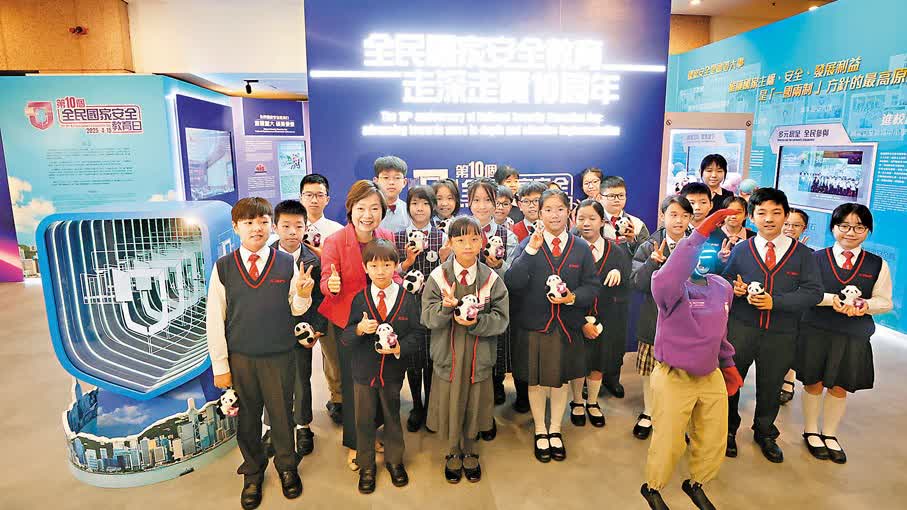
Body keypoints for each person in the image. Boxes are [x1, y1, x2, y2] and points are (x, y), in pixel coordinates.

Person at [206, 197, 314, 510]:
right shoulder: (224, 267)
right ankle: (252, 472)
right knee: (248, 420)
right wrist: (220, 366)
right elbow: (215, 319)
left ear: (271, 226)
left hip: (280, 356)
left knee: (282, 416)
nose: (257, 228)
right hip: (241, 359)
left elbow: (296, 309)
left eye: (263, 222)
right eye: (249, 222)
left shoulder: (285, 262)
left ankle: (287, 467)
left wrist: (304, 294)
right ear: (236, 227)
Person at [639, 208, 744, 510]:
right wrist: (697, 236)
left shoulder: (722, 287)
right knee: (669, 439)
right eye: (698, 253)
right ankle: (653, 487)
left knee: (713, 436)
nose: (702, 258)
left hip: (710, 373)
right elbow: (669, 275)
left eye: (708, 252)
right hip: (674, 374)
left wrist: (728, 365)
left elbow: (720, 332)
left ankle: (696, 481)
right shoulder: (671, 288)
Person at [721, 187, 823, 463]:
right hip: (741, 328)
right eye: (762, 213)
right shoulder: (742, 249)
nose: (768, 219)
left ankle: (765, 431)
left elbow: (813, 292)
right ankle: (728, 429)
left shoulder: (803, 254)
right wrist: (734, 288)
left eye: (776, 212)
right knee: (732, 380)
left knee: (771, 383)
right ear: (751, 217)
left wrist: (775, 302)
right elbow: (726, 280)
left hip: (781, 332)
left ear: (786, 215)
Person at [506, 189, 599, 463]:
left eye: (559, 209)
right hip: (536, 326)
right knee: (536, 382)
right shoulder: (528, 244)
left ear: (568, 212)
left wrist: (572, 298)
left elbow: (592, 286)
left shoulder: (580, 247)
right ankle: (540, 429)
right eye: (548, 209)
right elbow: (513, 282)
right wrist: (531, 251)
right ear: (539, 213)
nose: (554, 215)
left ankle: (555, 429)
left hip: (567, 326)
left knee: (560, 382)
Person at [796, 203, 892, 464]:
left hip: (853, 333)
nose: (851, 232)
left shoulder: (877, 264)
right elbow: (806, 293)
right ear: (833, 228)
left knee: (840, 386)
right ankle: (811, 430)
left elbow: (885, 301)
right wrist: (831, 300)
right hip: (816, 329)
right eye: (844, 226)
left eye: (859, 227)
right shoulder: (815, 258)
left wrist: (864, 305)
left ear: (868, 231)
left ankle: (830, 433)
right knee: (813, 381)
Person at [319, 180, 401, 470]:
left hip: (381, 320)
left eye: (375, 208)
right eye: (361, 208)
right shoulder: (335, 241)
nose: (368, 215)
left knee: (378, 379)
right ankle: (356, 443)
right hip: (349, 323)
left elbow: (394, 274)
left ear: (382, 211)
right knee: (356, 387)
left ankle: (373, 433)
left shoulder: (387, 236)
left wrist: (402, 286)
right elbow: (326, 282)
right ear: (350, 209)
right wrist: (331, 284)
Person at [422, 216, 510, 483]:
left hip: (478, 354)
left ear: (482, 242)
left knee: (474, 403)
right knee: (449, 401)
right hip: (448, 354)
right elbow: (427, 317)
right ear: (450, 243)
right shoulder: (438, 277)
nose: (468, 245)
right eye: (460, 240)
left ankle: (470, 448)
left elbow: (501, 319)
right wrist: (445, 308)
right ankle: (452, 450)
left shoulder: (492, 279)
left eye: (474, 239)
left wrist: (477, 322)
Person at [341, 239, 422, 493]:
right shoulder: (360, 299)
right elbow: (345, 337)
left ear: (396, 266)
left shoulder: (408, 299)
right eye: (374, 266)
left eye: (387, 265)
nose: (380, 271)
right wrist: (359, 329)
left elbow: (418, 335)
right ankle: (366, 466)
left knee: (392, 416)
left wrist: (398, 348)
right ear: (365, 268)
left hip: (392, 373)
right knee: (363, 419)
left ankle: (394, 461)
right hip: (363, 371)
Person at [260, 200, 326, 458]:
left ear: (306, 227)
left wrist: (317, 329)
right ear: (275, 227)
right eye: (285, 226)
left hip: (302, 331)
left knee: (301, 379)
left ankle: (303, 426)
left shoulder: (314, 260)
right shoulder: (265, 257)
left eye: (298, 226)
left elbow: (320, 299)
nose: (292, 232)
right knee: (272, 382)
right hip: (272, 332)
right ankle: (271, 427)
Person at [631, 195, 695, 440]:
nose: (679, 221)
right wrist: (651, 263)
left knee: (683, 373)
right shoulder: (649, 246)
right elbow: (637, 282)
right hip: (654, 320)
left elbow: (707, 282)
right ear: (662, 216)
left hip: (688, 323)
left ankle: (678, 416)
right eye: (673, 215)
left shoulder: (698, 245)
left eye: (684, 216)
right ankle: (648, 412)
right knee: (650, 370)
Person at [569, 199, 630, 428]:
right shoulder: (571, 249)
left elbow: (627, 283)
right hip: (576, 317)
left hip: (605, 319)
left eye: (592, 218)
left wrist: (619, 273)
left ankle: (593, 402)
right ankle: (577, 401)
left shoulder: (616, 250)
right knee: (578, 362)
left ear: (602, 221)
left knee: (598, 361)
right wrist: (580, 322)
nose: (586, 223)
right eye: (581, 218)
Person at [392, 185, 448, 432]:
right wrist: (407, 262)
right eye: (415, 203)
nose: (420, 208)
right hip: (409, 307)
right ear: (408, 206)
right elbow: (392, 272)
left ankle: (432, 407)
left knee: (433, 358)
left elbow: (448, 273)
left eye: (425, 203)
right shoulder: (398, 237)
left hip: (434, 306)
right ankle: (417, 406)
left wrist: (445, 258)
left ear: (432, 207)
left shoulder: (442, 236)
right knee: (414, 359)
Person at [467, 179, 516, 436]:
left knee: (494, 356)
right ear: (469, 203)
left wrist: (499, 265)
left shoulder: (507, 234)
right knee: (471, 361)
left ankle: (489, 409)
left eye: (488, 200)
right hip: (467, 307)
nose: (482, 206)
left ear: (496, 203)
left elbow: (515, 275)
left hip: (495, 305)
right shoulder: (460, 229)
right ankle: (472, 413)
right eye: (476, 200)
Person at [299, 173, 344, 424]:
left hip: (328, 300)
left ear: (327, 199)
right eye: (309, 195)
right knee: (299, 361)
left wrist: (323, 256)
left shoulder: (337, 231)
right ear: (301, 197)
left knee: (332, 354)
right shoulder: (292, 228)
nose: (314, 200)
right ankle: (299, 413)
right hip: (299, 302)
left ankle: (337, 398)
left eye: (319, 195)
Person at [779, 207, 811, 405]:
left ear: (804, 228)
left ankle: (788, 379)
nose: (790, 228)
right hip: (769, 306)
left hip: (795, 310)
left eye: (796, 225)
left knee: (793, 345)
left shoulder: (809, 254)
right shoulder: (766, 247)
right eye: (786, 224)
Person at [600, 175, 650, 257]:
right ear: (600, 197)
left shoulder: (637, 224)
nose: (617, 199)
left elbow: (645, 256)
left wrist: (632, 242)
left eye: (621, 195)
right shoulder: (594, 222)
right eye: (611, 196)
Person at [374, 156, 410, 232]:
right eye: (386, 177)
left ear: (404, 182)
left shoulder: (410, 212)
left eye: (397, 178)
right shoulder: (367, 211)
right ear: (376, 181)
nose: (391, 182)